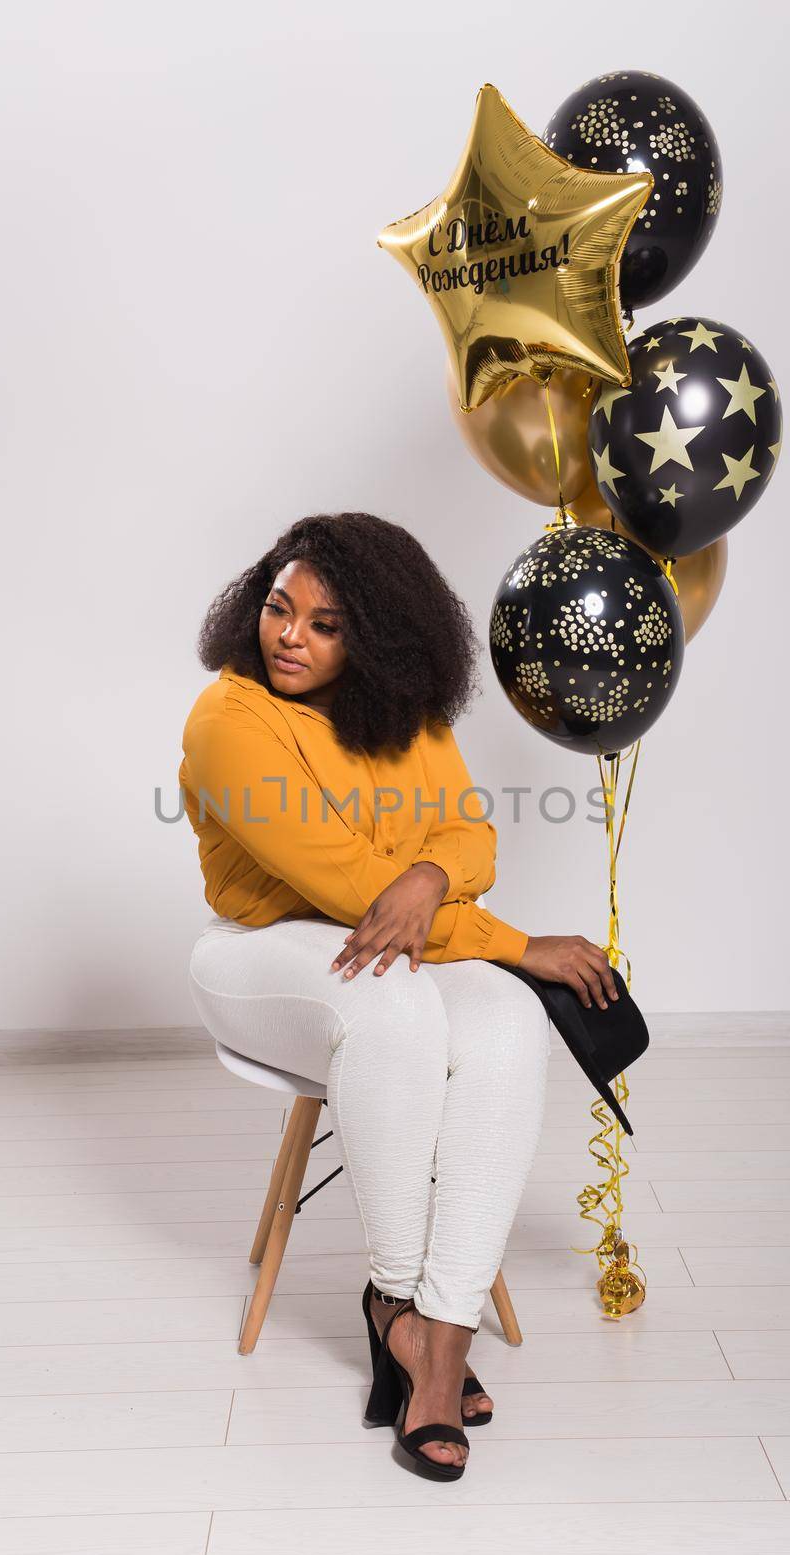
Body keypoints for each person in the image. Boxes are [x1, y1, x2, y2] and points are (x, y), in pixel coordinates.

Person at [179, 511, 618, 1479]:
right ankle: (394, 1301)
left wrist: (424, 882)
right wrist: (509, 939)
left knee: (505, 1018)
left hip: (387, 942)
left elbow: (471, 845)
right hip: (256, 952)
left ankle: (440, 1333)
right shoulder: (228, 721)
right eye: (278, 608)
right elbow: (347, 891)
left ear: (371, 636)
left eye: (324, 624)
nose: (288, 635)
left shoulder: (403, 711)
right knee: (394, 1005)